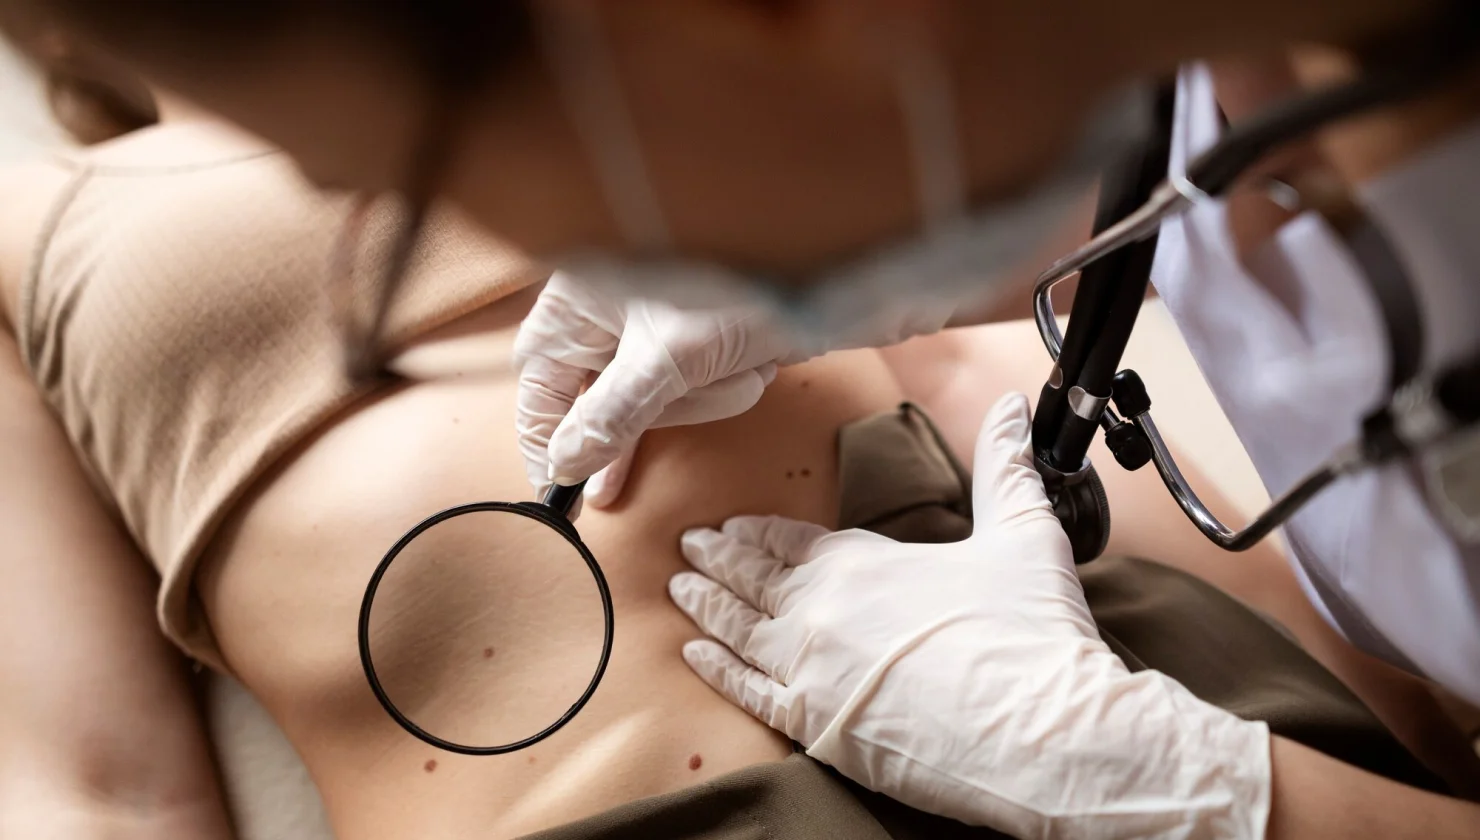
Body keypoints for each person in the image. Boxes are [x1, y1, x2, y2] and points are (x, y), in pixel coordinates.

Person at [1, 0, 1478, 836]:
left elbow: (974, 381)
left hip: (1117, 668)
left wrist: (1212, 791)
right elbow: (90, 793)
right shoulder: (1199, 105)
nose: (490, 247)